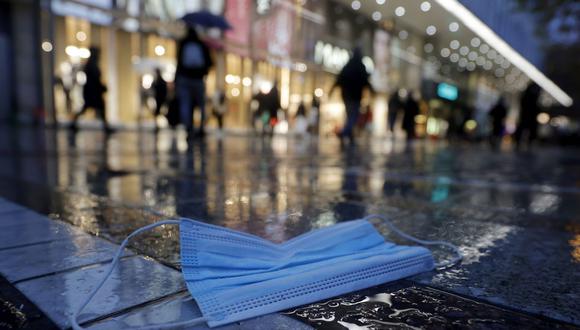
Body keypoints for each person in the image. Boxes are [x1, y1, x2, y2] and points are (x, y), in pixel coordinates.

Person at [329, 47, 374, 143]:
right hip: (355, 96)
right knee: (353, 116)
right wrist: (371, 91)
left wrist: (332, 90)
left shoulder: (348, 66)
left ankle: (349, 134)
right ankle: (345, 132)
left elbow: (339, 79)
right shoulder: (361, 66)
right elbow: (365, 81)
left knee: (350, 115)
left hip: (346, 95)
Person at [175, 28, 213, 138]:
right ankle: (201, 127)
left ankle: (188, 127)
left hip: (185, 78)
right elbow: (209, 62)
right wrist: (204, 73)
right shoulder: (202, 45)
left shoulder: (183, 43)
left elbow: (178, 62)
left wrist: (177, 78)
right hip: (198, 79)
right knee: (201, 105)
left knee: (185, 103)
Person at [72, 47, 110, 132]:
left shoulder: (91, 65)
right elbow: (95, 80)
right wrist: (101, 87)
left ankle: (106, 127)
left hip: (93, 92)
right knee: (95, 107)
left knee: (98, 108)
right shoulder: (91, 65)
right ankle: (73, 123)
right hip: (93, 92)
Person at [514, 83, 541, 148]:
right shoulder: (530, 96)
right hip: (526, 115)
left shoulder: (533, 96)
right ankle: (520, 142)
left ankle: (525, 143)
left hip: (529, 116)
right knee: (524, 128)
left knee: (528, 129)